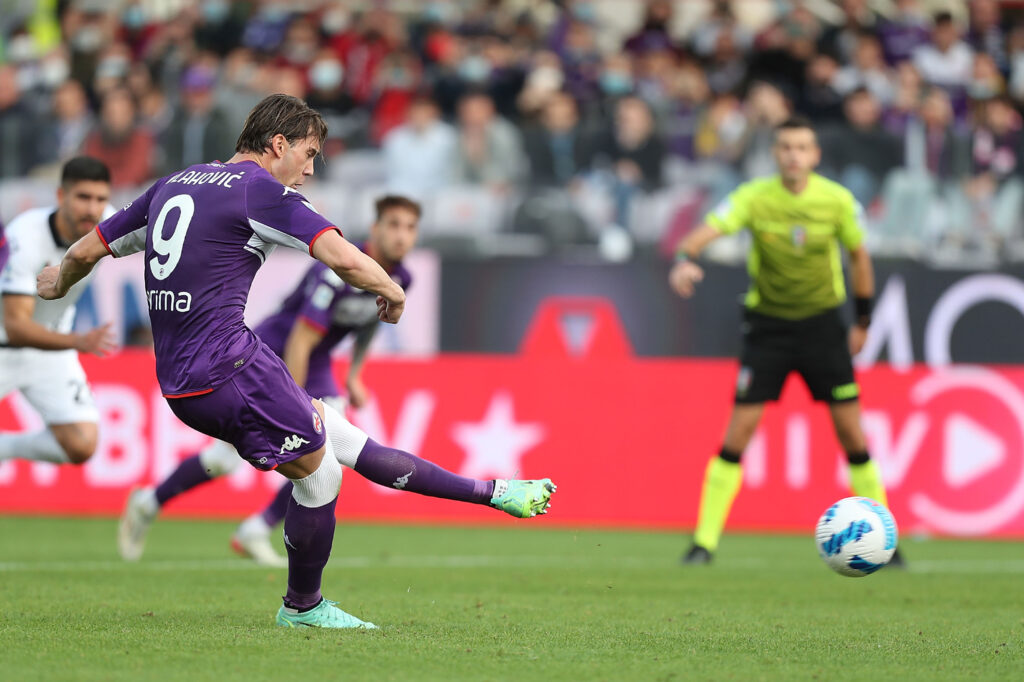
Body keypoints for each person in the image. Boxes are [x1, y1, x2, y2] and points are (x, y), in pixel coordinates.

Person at [38, 94, 556, 629]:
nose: (309, 170)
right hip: (228, 369)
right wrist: (393, 291)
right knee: (323, 473)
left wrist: (58, 281)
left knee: (346, 443)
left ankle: (494, 492)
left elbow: (85, 251)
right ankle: (302, 606)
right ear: (278, 144)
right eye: (308, 155)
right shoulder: (258, 190)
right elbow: (343, 257)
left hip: (186, 377)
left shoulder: (173, 183)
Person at [119, 194, 421, 567]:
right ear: (375, 229)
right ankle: (149, 503)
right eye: (393, 225)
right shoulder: (338, 271)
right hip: (269, 351)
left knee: (332, 450)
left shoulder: (401, 278)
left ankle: (256, 530)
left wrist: (355, 373)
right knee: (225, 460)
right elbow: (300, 339)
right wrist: (294, 401)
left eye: (410, 228)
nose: (402, 236)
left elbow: (370, 321)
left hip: (317, 360)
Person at [668, 116, 902, 568]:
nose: (794, 155)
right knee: (739, 432)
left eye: (802, 147)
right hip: (769, 328)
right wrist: (683, 258)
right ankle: (703, 543)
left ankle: (885, 540)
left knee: (852, 433)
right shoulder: (754, 197)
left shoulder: (836, 201)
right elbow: (703, 233)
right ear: (775, 154)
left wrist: (863, 321)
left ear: (815, 156)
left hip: (822, 327)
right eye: (786, 147)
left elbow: (859, 257)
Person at [0, 157, 117, 467]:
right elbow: (16, 327)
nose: (92, 209)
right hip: (6, 345)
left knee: (81, 444)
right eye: (83, 197)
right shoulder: (25, 237)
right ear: (61, 196)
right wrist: (78, 342)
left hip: (50, 351)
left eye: (100, 199)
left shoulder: (108, 224)